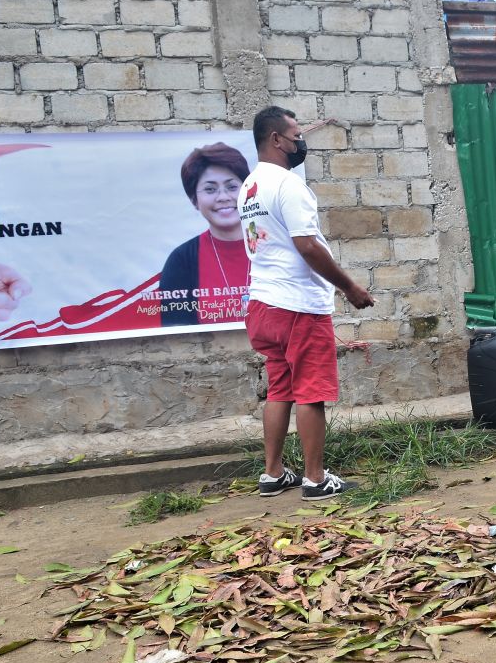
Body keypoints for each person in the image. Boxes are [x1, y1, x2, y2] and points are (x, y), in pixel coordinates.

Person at [238, 106, 376, 499]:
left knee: (280, 389)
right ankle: (316, 479)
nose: (301, 141)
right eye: (296, 134)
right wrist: (349, 286)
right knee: (310, 391)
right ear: (275, 139)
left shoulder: (248, 187)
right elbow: (307, 246)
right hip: (297, 305)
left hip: (263, 303)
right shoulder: (288, 184)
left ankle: (273, 473)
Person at [159, 143, 251, 327]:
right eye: (210, 189)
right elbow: (178, 336)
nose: (223, 197)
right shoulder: (182, 260)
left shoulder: (277, 245)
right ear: (194, 200)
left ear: (248, 190)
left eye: (232, 187)